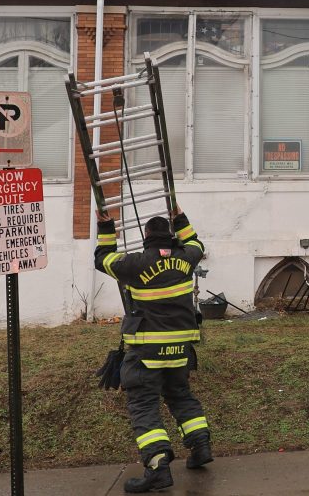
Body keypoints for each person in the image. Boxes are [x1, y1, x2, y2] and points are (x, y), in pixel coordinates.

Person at [95, 206, 213, 493]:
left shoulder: (135, 263)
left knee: (144, 405)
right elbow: (197, 244)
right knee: (180, 395)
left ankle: (158, 466)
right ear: (170, 236)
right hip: (180, 349)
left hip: (146, 352)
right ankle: (200, 447)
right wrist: (182, 220)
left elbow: (103, 260)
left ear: (146, 236)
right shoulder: (186, 259)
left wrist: (107, 229)